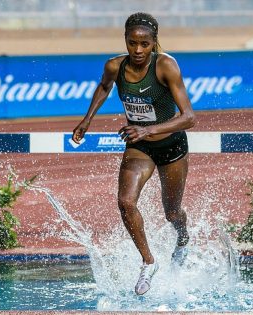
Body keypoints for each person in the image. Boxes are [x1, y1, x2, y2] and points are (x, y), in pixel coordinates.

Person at [71, 12, 196, 295]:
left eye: (145, 44)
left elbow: (189, 117)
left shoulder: (166, 66)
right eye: (132, 43)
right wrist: (87, 119)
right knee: (125, 202)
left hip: (171, 146)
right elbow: (104, 87)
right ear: (125, 41)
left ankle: (184, 238)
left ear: (154, 43)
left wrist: (147, 129)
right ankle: (148, 262)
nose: (138, 50)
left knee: (172, 212)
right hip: (139, 147)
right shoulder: (115, 66)